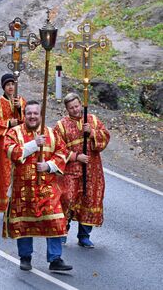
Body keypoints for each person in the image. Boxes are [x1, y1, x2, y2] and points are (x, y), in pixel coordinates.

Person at [3, 101, 72, 272]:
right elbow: (11, 151)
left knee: (55, 220)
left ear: (41, 115)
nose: (32, 116)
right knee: (24, 224)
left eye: (36, 113)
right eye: (29, 113)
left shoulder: (52, 133)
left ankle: (55, 258)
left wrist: (48, 165)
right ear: (24, 115)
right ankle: (25, 257)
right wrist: (34, 144)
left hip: (47, 189)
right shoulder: (14, 132)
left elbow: (62, 154)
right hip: (23, 190)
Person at [55, 93, 110, 248]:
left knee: (90, 199)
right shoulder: (61, 126)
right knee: (67, 198)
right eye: (71, 108)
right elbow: (56, 149)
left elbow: (105, 136)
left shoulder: (92, 120)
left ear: (81, 104)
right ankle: (62, 233)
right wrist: (75, 157)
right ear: (66, 109)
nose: (75, 110)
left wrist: (92, 133)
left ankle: (84, 235)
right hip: (71, 171)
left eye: (77, 106)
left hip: (92, 170)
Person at [0, 74, 27, 212]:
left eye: (12, 84)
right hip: (3, 146)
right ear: (3, 86)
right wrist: (8, 123)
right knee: (5, 176)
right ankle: (7, 208)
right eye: (8, 84)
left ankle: (20, 207)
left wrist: (20, 109)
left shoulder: (21, 101)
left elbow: (29, 121)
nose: (10, 87)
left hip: (20, 143)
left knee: (21, 174)